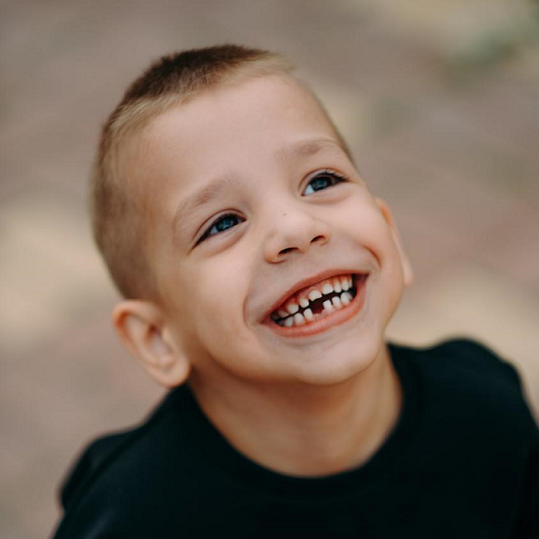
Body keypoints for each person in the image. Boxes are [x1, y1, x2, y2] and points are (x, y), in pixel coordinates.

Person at [51, 45, 538, 538]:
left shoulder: (486, 410)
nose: (296, 228)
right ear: (158, 338)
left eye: (320, 181)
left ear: (392, 237)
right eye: (222, 223)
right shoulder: (132, 519)